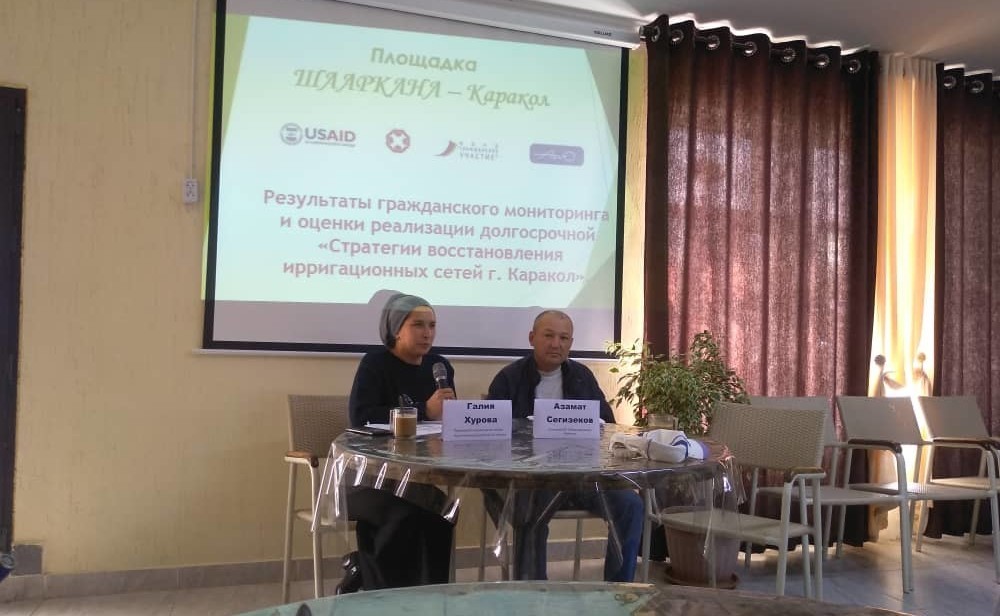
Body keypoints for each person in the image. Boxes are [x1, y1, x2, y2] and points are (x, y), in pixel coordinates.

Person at [487, 310, 644, 582]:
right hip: (533, 483)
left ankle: (618, 592)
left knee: (631, 505)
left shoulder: (582, 376)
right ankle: (533, 594)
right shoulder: (509, 378)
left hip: (583, 479)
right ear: (532, 338)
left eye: (563, 338)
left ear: (571, 343)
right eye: (548, 336)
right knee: (530, 513)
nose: (556, 344)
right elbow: (492, 435)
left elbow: (608, 426)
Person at [340, 293, 457, 591]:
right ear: (396, 329)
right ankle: (382, 592)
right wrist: (423, 409)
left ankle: (431, 596)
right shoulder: (375, 363)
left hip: (417, 478)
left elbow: (445, 422)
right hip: (367, 479)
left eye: (432, 325)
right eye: (418, 325)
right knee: (405, 515)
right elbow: (361, 417)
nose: (427, 333)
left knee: (442, 514)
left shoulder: (439, 366)